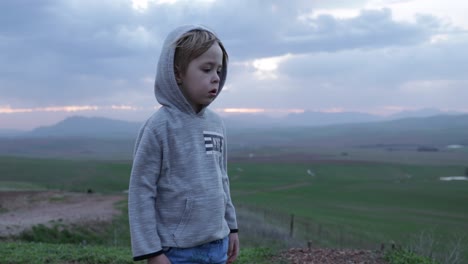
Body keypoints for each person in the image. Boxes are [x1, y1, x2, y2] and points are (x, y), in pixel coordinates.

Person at [128, 24, 239, 264]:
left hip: (217, 245)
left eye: (219, 70)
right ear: (177, 73)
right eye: (206, 69)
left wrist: (231, 227)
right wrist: (152, 252)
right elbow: (141, 191)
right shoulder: (159, 127)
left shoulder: (216, 124)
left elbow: (222, 179)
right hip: (176, 252)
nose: (216, 78)